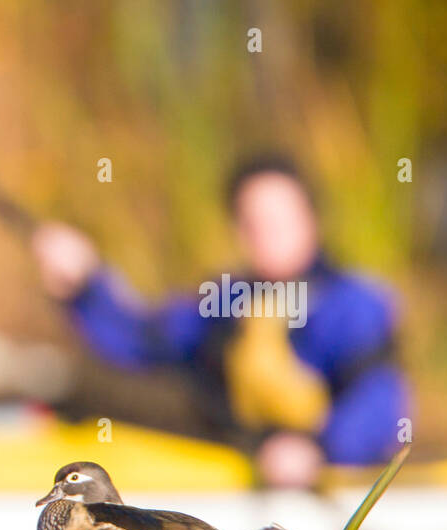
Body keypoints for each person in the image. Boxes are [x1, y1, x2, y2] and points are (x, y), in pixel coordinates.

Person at [31, 156, 408, 488]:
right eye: (252, 221)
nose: (266, 232)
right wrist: (86, 285)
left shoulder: (354, 304)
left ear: (309, 218)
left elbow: (380, 401)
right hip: (245, 471)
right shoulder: (227, 301)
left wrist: (319, 450)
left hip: (327, 477)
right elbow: (141, 339)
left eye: (279, 218)